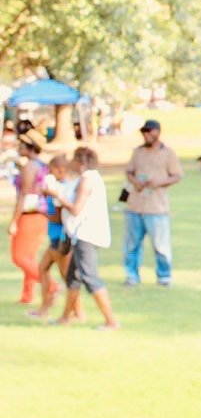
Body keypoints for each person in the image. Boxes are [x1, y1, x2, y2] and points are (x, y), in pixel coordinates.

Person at [44, 148, 119, 329]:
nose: (70, 163)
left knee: (89, 276)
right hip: (80, 234)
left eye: (74, 159)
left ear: (81, 161)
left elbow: (76, 209)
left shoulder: (87, 179)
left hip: (86, 234)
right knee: (73, 278)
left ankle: (111, 321)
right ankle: (66, 317)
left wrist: (57, 196)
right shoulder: (88, 178)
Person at [123, 119, 183, 287]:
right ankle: (132, 275)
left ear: (157, 132)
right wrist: (135, 181)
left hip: (157, 207)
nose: (146, 135)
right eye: (144, 132)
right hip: (136, 205)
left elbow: (177, 176)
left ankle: (164, 276)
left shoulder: (168, 153)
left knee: (161, 246)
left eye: (149, 131)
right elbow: (129, 172)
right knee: (132, 245)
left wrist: (159, 182)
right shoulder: (138, 152)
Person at [29, 155, 81, 319]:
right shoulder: (55, 188)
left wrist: (40, 212)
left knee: (67, 276)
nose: (49, 173)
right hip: (54, 236)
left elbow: (58, 218)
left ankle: (78, 312)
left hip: (61, 238)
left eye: (51, 169)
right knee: (43, 269)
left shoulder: (62, 190)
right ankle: (44, 308)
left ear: (60, 170)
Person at [9, 129, 49, 304]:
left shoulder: (30, 166)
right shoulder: (41, 165)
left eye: (22, 145)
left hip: (29, 215)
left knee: (19, 256)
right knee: (30, 256)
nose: (19, 148)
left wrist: (14, 221)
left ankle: (51, 286)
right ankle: (27, 295)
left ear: (29, 147)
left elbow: (23, 195)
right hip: (41, 215)